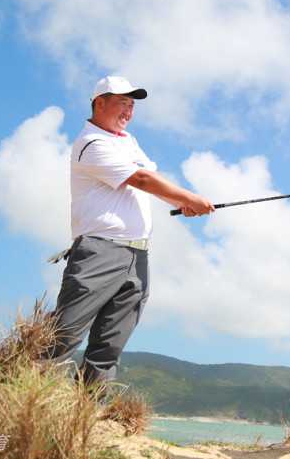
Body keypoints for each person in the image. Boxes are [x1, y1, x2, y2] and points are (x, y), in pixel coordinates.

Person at [45, 76, 215, 384]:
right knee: (64, 333)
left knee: (109, 344)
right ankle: (15, 395)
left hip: (138, 255)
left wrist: (182, 203)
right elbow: (141, 180)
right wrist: (189, 198)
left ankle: (89, 414)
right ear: (100, 103)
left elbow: (150, 181)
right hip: (100, 250)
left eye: (132, 105)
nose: (128, 111)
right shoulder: (91, 143)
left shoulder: (127, 141)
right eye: (122, 102)